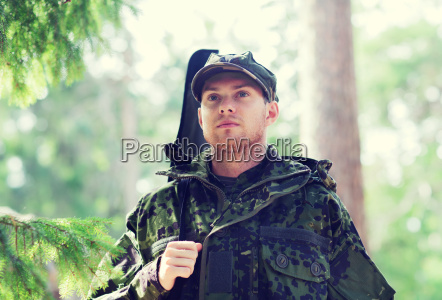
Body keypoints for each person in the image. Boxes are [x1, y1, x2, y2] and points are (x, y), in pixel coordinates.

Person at [91, 51, 395, 299]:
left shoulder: (314, 203)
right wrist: (152, 279)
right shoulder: (158, 209)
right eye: (213, 98)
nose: (226, 107)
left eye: (241, 94)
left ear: (270, 112)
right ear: (201, 116)